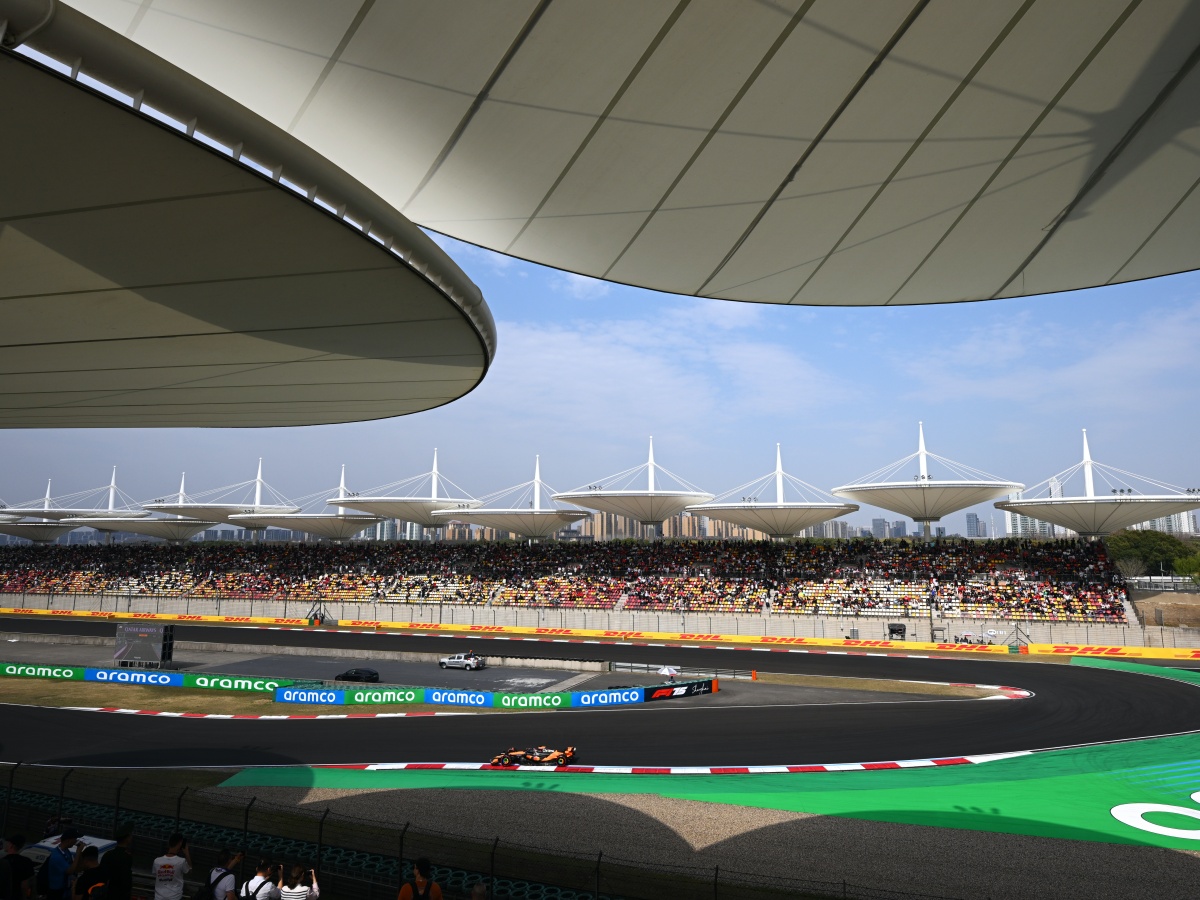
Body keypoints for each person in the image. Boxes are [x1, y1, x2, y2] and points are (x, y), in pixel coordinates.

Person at [99, 823, 134, 900]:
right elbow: (126, 879)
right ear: (127, 839)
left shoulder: (108, 854)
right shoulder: (127, 857)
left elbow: (102, 874)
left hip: (109, 892)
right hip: (121, 894)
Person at [151, 834, 191, 900]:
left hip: (159, 897)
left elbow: (155, 875)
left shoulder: (157, 861)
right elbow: (189, 870)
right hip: (175, 897)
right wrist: (187, 853)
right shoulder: (181, 861)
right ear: (180, 844)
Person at [45, 828, 78, 900]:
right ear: (69, 840)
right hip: (56, 892)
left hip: (65, 890)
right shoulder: (57, 856)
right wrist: (78, 853)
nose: (75, 842)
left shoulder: (66, 851)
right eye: (75, 839)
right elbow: (69, 871)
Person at [0, 834, 36, 900]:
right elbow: (28, 884)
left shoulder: (3, 862)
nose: (6, 844)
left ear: (11, 845)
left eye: (8, 843)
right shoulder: (27, 862)